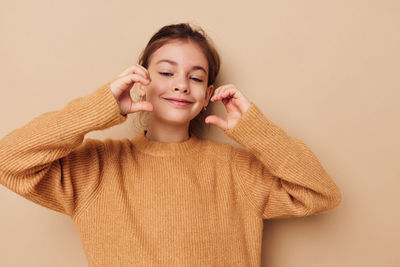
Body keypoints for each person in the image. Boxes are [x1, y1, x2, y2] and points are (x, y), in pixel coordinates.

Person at [0, 23, 342, 266]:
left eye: (196, 77)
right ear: (140, 82)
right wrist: (100, 107)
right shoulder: (96, 168)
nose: (181, 85)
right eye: (166, 73)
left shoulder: (237, 169)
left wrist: (256, 129)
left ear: (208, 96)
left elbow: (320, 193)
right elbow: (9, 160)